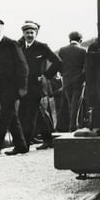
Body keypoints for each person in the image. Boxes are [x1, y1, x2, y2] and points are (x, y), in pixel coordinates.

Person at [0, 18, 29, 156]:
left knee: (4, 116)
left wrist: (23, 86)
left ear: (2, 28)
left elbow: (23, 66)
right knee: (11, 117)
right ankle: (21, 146)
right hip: (0, 89)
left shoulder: (11, 44)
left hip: (12, 87)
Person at [17, 21, 62, 150]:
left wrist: (46, 76)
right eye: (27, 33)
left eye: (32, 32)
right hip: (23, 86)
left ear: (36, 33)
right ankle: (48, 140)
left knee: (28, 114)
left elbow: (58, 62)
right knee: (37, 112)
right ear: (23, 34)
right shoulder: (18, 46)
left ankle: (23, 144)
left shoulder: (42, 47)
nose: (29, 35)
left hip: (36, 86)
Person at [58, 31, 86, 131]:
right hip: (79, 81)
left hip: (66, 80)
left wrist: (63, 75)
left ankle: (73, 125)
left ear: (69, 39)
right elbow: (85, 67)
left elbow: (59, 65)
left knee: (71, 104)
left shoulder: (62, 50)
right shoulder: (83, 50)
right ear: (80, 40)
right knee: (76, 103)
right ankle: (74, 125)